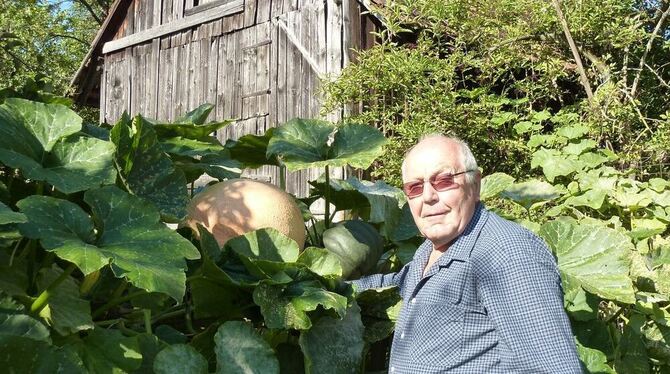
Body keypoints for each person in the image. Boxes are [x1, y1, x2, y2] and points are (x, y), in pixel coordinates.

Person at [352, 135, 582, 373]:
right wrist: (325, 286)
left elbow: (550, 367)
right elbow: (396, 284)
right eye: (415, 187)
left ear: (475, 185)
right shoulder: (432, 249)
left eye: (443, 181)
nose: (428, 197)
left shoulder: (508, 253)